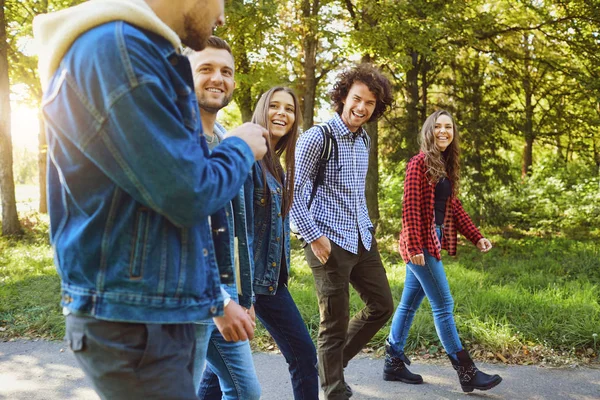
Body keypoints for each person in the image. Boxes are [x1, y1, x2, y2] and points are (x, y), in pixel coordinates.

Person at [32, 1, 268, 399]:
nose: (223, 16)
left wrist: (212, 298)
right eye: (222, 1)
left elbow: (185, 220)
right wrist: (240, 148)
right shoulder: (116, 50)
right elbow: (188, 193)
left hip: (156, 312)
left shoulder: (137, 50)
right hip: (134, 319)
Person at [198, 86, 320, 400]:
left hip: (267, 279)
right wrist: (244, 295)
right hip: (253, 283)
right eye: (275, 106)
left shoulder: (276, 163)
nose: (282, 113)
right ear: (262, 111)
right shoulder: (249, 159)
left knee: (222, 369)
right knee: (303, 355)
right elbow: (241, 230)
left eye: (290, 109)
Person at [290, 63, 394, 400]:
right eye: (357, 99)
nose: (361, 108)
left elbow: (354, 193)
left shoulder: (363, 140)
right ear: (343, 97)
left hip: (361, 237)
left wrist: (368, 228)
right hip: (326, 239)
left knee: (381, 304)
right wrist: (313, 236)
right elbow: (292, 193)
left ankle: (328, 366)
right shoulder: (318, 138)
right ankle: (332, 389)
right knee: (333, 323)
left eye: (370, 104)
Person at [385, 110, 503, 393]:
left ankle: (393, 362)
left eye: (448, 127)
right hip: (420, 242)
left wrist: (476, 237)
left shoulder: (443, 165)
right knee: (444, 306)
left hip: (431, 239)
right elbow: (410, 208)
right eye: (437, 126)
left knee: (409, 305)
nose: (443, 131)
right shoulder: (419, 163)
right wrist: (414, 246)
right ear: (429, 130)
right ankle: (466, 371)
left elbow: (453, 207)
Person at [185, 36, 261, 400]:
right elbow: (182, 226)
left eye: (226, 71)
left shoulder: (225, 139)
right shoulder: (175, 138)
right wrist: (217, 301)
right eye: (206, 69)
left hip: (224, 293)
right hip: (190, 297)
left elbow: (235, 228)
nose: (218, 78)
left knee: (247, 392)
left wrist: (241, 295)